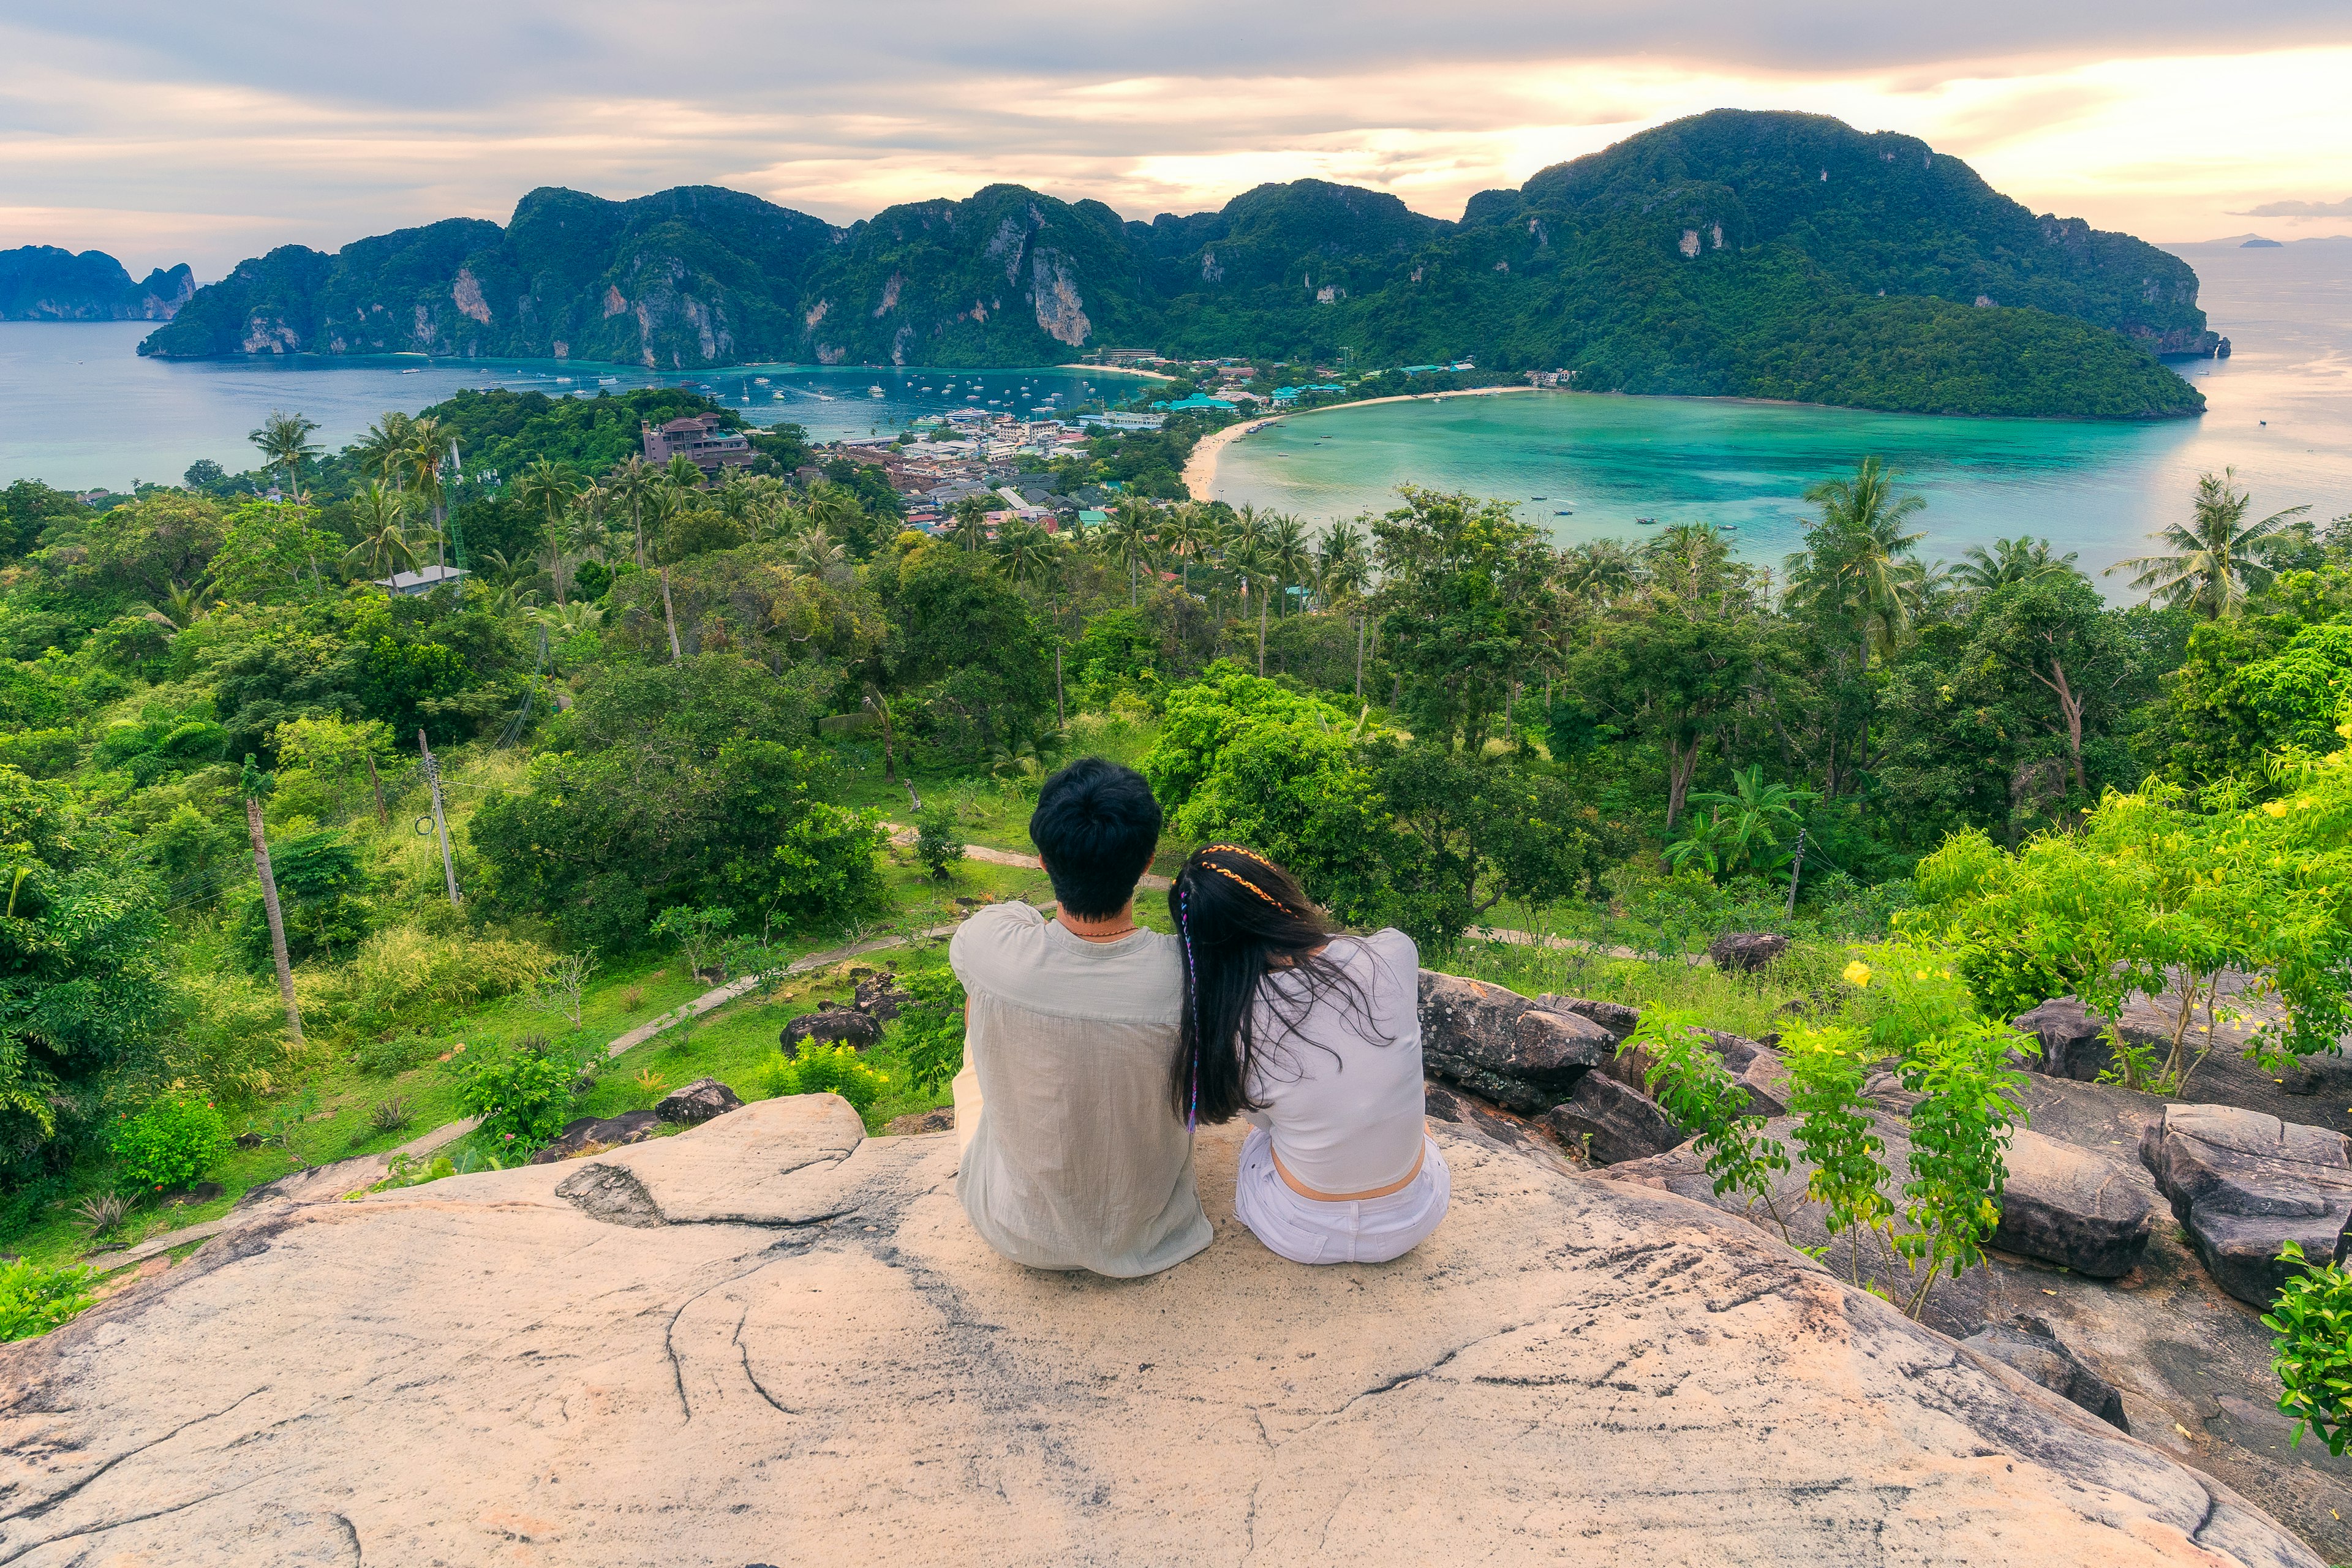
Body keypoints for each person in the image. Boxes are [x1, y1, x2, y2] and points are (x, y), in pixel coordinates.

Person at [950, 757, 1212, 1277]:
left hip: (1015, 1228)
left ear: (1044, 862)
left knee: (979, 1016)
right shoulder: (1188, 975)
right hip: (1152, 1234)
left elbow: (1019, 918)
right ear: (1147, 863)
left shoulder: (986, 946)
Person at [1169, 843, 1447, 1265]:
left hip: (1300, 1232)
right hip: (1415, 1215)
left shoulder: (1231, 1026)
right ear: (1279, 893)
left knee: (1262, 1137)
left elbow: (1264, 1125)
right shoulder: (1393, 952)